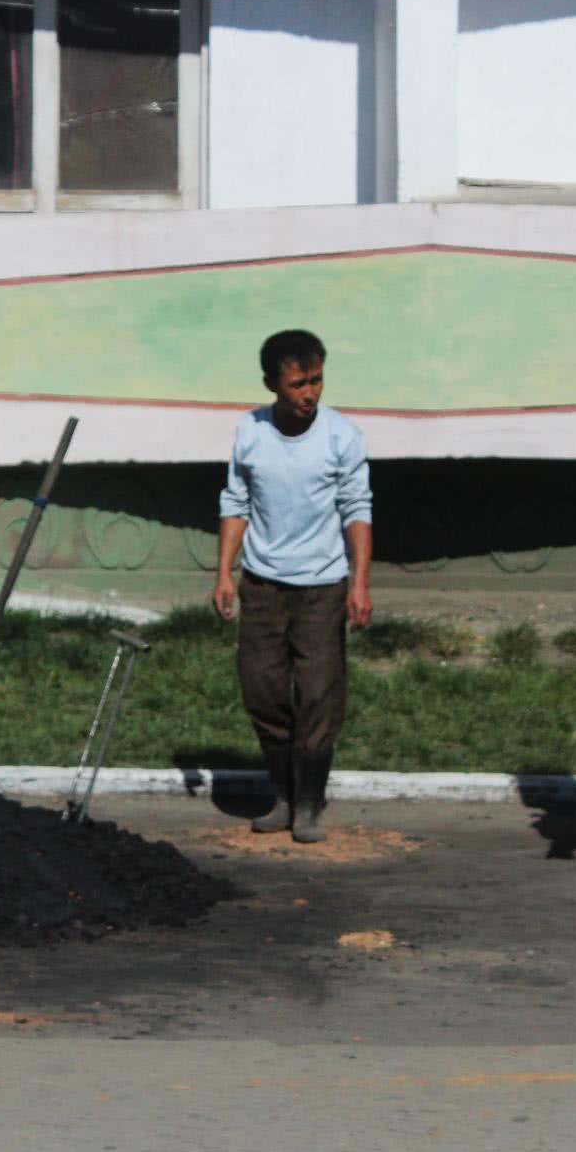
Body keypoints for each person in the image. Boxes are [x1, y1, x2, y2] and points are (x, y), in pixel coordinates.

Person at [212, 329, 374, 843]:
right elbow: (235, 502)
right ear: (271, 384)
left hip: (322, 588)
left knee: (319, 694)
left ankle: (308, 801)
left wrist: (360, 583)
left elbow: (357, 510)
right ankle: (281, 793)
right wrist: (224, 572)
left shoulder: (340, 436)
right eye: (298, 384)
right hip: (261, 585)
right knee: (261, 687)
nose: (310, 394)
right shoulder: (251, 432)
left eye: (317, 381)